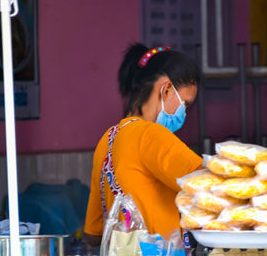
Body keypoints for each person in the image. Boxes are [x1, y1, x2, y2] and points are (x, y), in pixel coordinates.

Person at [84, 43, 203, 246]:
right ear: (166, 90)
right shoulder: (151, 134)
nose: (185, 112)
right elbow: (208, 186)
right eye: (186, 103)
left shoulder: (107, 140)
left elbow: (93, 235)